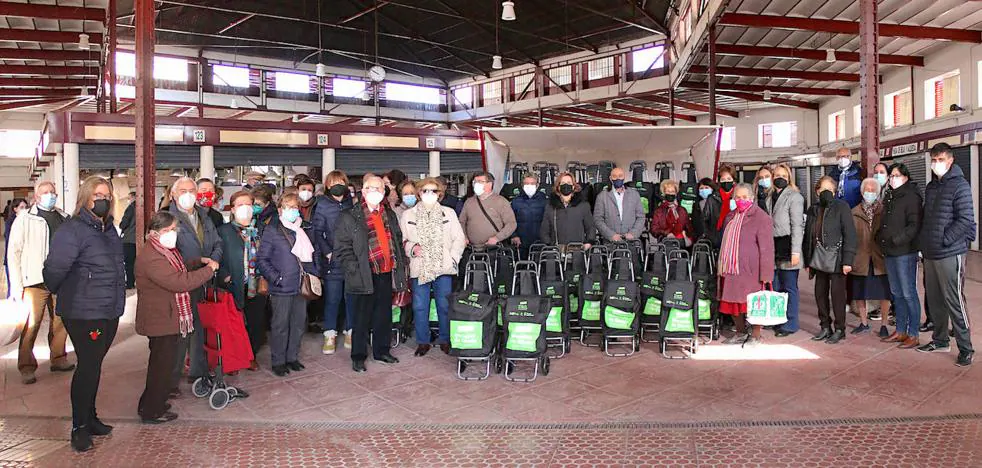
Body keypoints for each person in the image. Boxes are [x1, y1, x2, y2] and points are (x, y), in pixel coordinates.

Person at [42, 176, 125, 452]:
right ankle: (79, 427)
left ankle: (91, 418)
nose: (102, 199)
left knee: (94, 365)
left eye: (106, 195)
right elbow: (54, 268)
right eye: (97, 194)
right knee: (88, 367)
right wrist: (59, 290)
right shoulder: (73, 229)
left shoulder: (109, 229)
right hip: (83, 311)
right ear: (86, 198)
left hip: (108, 308)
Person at [135, 211, 218, 424]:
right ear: (154, 232)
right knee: (161, 367)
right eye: (168, 230)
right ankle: (151, 410)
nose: (172, 234)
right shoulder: (152, 257)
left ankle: (153, 403)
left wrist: (198, 261)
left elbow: (178, 269)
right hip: (160, 319)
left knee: (163, 365)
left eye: (174, 230)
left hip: (167, 316)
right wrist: (208, 270)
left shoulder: (164, 251)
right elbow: (179, 282)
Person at [334, 175, 408, 373]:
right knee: (360, 318)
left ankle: (381, 351)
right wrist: (353, 269)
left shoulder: (389, 214)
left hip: (385, 272)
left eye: (378, 188)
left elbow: (397, 241)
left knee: (383, 315)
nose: (374, 192)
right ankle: (358, 356)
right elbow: (342, 247)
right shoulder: (349, 215)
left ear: (383, 193)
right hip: (363, 273)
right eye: (370, 188)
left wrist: (400, 265)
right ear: (363, 192)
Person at [7, 181, 73, 385]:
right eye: (45, 192)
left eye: (52, 192)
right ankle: (27, 366)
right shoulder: (25, 219)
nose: (50, 195)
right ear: (36, 196)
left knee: (61, 320)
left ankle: (58, 358)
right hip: (35, 279)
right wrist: (16, 285)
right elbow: (13, 252)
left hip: (61, 278)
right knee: (31, 323)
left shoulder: (64, 217)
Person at [917, 143, 976, 367]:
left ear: (950, 160)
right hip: (931, 253)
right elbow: (928, 218)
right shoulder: (933, 186)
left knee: (954, 300)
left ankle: (966, 347)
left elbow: (965, 220)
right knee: (935, 299)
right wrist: (926, 242)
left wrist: (944, 239)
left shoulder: (960, 185)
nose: (935, 164)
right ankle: (940, 340)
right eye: (933, 159)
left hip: (950, 252)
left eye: (939, 159)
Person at [167, 177, 223, 388]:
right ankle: (171, 380)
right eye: (183, 190)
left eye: (192, 190)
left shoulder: (203, 216)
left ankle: (197, 373)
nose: (189, 194)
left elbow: (217, 242)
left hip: (204, 279)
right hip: (181, 283)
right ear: (173, 194)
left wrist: (214, 260)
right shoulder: (167, 218)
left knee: (199, 328)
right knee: (180, 331)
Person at [400, 178, 466, 356]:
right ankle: (423, 341)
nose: (429, 194)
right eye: (425, 191)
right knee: (420, 306)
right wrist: (413, 248)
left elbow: (459, 238)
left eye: (433, 191)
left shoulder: (449, 213)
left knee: (444, 305)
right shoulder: (408, 215)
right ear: (419, 193)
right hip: (420, 266)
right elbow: (402, 240)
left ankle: (445, 339)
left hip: (443, 266)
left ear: (439, 194)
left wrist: (453, 258)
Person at [256, 193, 320, 376]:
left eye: (295, 207)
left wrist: (314, 273)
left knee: (298, 323)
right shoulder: (273, 229)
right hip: (282, 286)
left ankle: (292, 357)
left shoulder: (303, 229)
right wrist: (277, 278)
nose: (293, 210)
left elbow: (309, 256)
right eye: (288, 207)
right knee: (280, 325)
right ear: (280, 209)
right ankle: (278, 361)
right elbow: (262, 259)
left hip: (301, 285)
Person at [717, 183, 775, 346]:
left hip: (752, 270)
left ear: (752, 198)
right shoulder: (730, 216)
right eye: (738, 197)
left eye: (744, 197)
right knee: (733, 302)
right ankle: (741, 332)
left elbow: (767, 248)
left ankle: (756, 335)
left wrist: (766, 274)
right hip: (732, 269)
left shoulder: (761, 217)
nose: (741, 200)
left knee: (755, 303)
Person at [217, 191, 268, 370]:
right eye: (240, 205)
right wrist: (225, 276)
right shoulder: (224, 231)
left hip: (257, 283)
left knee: (255, 322)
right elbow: (216, 256)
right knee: (234, 325)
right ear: (232, 209)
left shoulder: (261, 228)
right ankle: (234, 358)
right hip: (234, 284)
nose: (245, 208)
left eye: (248, 204)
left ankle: (250, 356)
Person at [804, 176, 857, 345]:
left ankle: (840, 328)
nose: (825, 192)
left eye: (829, 189)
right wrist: (807, 261)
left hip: (837, 258)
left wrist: (847, 260)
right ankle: (825, 326)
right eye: (822, 189)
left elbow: (850, 234)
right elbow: (808, 236)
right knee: (820, 294)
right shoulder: (813, 209)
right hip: (818, 258)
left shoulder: (842, 207)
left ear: (835, 192)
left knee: (837, 295)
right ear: (817, 191)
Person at [878, 163, 923, 348]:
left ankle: (913, 333)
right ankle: (901, 330)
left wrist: (897, 240)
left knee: (908, 293)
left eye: (896, 175)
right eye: (891, 175)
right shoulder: (890, 196)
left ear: (905, 177)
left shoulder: (912, 196)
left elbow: (914, 225)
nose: (892, 178)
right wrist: (880, 238)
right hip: (889, 251)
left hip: (905, 252)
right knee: (897, 294)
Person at [312, 171, 356, 354]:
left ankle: (350, 331)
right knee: (333, 299)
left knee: (351, 298)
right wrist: (327, 252)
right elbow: (317, 231)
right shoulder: (321, 204)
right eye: (333, 182)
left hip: (351, 258)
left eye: (340, 182)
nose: (337, 185)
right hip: (333, 259)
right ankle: (330, 334)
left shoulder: (351, 202)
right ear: (327, 186)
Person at [849, 178, 892, 337]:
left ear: (878, 192)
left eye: (873, 190)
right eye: (867, 190)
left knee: (884, 293)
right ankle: (863, 322)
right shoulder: (854, 212)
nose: (870, 193)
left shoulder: (885, 211)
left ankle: (884, 324)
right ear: (861, 192)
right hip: (860, 257)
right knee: (860, 292)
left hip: (879, 257)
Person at [765, 164, 805, 337]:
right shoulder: (769, 196)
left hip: (788, 245)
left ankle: (791, 323)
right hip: (773, 246)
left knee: (789, 287)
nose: (779, 177)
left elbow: (797, 225)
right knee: (777, 286)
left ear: (789, 178)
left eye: (783, 175)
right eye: (777, 175)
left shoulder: (794, 196)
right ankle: (779, 319)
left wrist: (796, 251)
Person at [457, 172, 517, 248]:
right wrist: (464, 237)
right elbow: (462, 222)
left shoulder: (501, 201)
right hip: (472, 249)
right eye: (475, 182)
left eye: (480, 182)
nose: (476, 184)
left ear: (490, 184)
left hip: (494, 249)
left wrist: (497, 238)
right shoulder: (468, 202)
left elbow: (511, 223)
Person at [539, 172, 595, 248]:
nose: (566, 185)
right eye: (563, 183)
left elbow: (590, 227)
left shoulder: (583, 205)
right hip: (556, 251)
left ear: (573, 186)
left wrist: (589, 242)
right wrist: (549, 245)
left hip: (578, 250)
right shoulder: (551, 206)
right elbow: (544, 230)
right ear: (558, 187)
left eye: (569, 182)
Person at [593, 167, 645, 242]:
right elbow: (598, 219)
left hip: (631, 241)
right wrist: (611, 235)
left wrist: (633, 233)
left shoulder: (634, 195)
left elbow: (641, 217)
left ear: (624, 177)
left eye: (620, 176)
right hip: (610, 243)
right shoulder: (602, 196)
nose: (618, 178)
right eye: (614, 176)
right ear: (610, 178)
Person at [510, 174, 547, 256]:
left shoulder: (545, 201)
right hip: (520, 243)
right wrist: (514, 236)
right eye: (526, 183)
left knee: (540, 267)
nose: (529, 186)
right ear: (522, 185)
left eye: (532, 183)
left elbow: (549, 221)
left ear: (537, 185)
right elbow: (510, 220)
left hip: (540, 243)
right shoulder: (516, 201)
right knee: (521, 267)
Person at [649, 179, 694, 245]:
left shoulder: (682, 210)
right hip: (665, 240)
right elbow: (654, 229)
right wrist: (665, 233)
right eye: (668, 191)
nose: (670, 193)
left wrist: (685, 234)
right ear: (664, 193)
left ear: (676, 193)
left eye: (672, 191)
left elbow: (689, 228)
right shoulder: (659, 211)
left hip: (681, 239)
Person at [3, 197, 28, 294]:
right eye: (22, 207)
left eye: (26, 207)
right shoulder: (11, 222)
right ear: (15, 209)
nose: (24, 210)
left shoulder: (26, 221)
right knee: (13, 287)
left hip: (23, 259)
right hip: (12, 259)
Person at [118, 191, 138, 289]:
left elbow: (123, 223)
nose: (128, 200)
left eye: (129, 198)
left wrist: (121, 225)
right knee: (135, 263)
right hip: (138, 240)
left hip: (129, 239)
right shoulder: (141, 207)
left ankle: (129, 283)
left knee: (129, 263)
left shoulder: (131, 208)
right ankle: (134, 281)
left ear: (133, 197)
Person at [695, 179, 722, 248]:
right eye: (701, 188)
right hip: (701, 236)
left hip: (715, 236)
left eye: (706, 188)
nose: (704, 190)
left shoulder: (717, 202)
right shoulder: (697, 204)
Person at [716, 164, 737, 238]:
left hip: (735, 232)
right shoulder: (713, 197)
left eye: (729, 179)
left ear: (733, 181)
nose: (726, 182)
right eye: (723, 179)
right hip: (718, 234)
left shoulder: (739, 195)